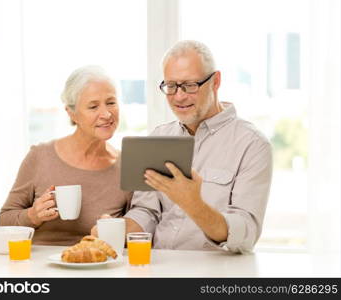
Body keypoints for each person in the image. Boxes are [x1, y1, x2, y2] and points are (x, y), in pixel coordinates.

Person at [92, 40, 272, 253]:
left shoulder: (252, 144)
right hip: (156, 268)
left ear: (216, 81)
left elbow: (246, 234)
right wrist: (118, 230)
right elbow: (146, 212)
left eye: (189, 85)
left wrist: (194, 205)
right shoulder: (159, 137)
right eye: (171, 86)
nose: (179, 96)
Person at [0, 65, 132, 245]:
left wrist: (116, 229)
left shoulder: (126, 166)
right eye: (93, 106)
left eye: (111, 102)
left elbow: (138, 231)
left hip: (98, 267)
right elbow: (4, 221)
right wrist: (33, 216)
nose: (107, 114)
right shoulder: (40, 157)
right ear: (71, 113)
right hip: (41, 270)